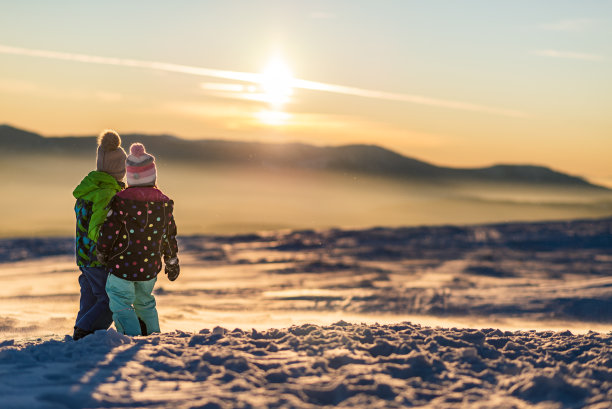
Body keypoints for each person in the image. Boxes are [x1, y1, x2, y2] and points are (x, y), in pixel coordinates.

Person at [96, 142, 180, 336]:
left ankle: (131, 337)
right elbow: (169, 236)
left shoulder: (122, 201)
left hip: (121, 266)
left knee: (121, 302)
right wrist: (171, 260)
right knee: (145, 302)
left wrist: (103, 251)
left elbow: (110, 230)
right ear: (153, 176)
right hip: (149, 267)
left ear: (130, 177)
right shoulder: (164, 204)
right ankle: (152, 336)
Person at [73, 130, 127, 340]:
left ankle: (82, 330)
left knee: (90, 296)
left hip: (84, 255)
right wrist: (109, 248)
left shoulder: (90, 189)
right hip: (97, 256)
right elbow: (98, 228)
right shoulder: (106, 193)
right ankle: (85, 331)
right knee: (110, 298)